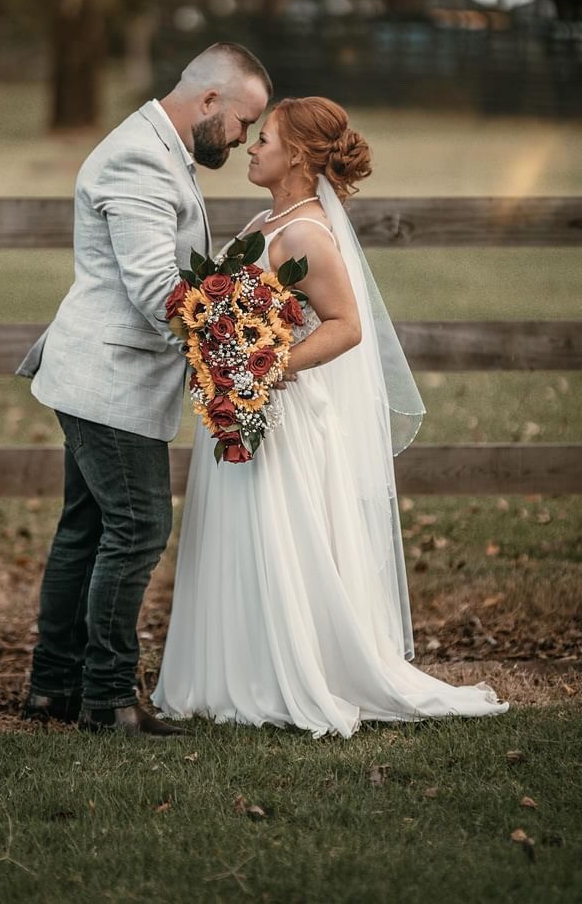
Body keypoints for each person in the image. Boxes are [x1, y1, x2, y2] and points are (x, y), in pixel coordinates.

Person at [153, 96, 509, 737]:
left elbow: (346, 326)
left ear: (295, 155)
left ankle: (283, 672)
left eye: (264, 139)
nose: (251, 147)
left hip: (280, 414)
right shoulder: (268, 219)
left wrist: (265, 368)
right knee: (238, 536)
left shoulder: (306, 234)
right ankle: (231, 671)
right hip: (242, 404)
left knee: (278, 539)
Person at [16, 43, 271, 738]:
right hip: (109, 381)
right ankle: (106, 698)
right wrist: (234, 352)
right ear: (209, 100)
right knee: (138, 528)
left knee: (87, 529)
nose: (243, 138)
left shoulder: (160, 149)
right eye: (243, 121)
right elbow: (158, 290)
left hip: (99, 375)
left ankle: (53, 688)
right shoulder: (139, 159)